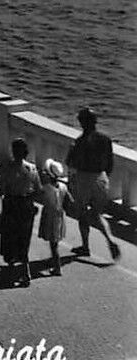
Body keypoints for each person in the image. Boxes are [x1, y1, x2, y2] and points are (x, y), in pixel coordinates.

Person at [66, 107, 121, 260]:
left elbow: (70, 162)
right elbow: (109, 164)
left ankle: (85, 246)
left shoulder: (79, 142)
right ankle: (110, 240)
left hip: (84, 178)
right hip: (101, 178)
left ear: (82, 123)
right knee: (97, 214)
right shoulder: (105, 140)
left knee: (82, 213)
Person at [0, 137, 42, 286]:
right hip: (26, 205)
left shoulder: (7, 168)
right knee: (24, 237)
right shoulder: (32, 169)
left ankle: (11, 267)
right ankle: (25, 271)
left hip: (11, 204)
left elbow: (1, 188)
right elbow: (38, 190)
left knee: (9, 235)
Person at [39, 159, 69, 277]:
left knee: (53, 244)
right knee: (55, 241)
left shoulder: (46, 188)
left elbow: (39, 195)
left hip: (50, 215)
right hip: (60, 215)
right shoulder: (63, 187)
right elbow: (68, 201)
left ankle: (57, 267)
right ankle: (55, 263)